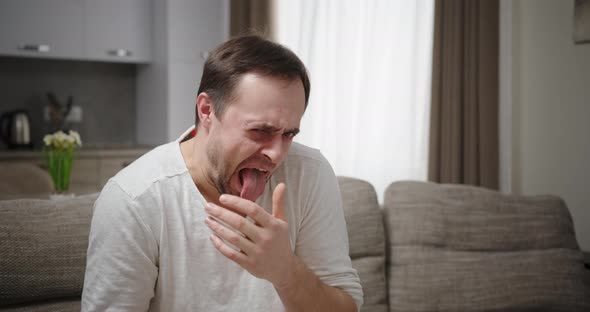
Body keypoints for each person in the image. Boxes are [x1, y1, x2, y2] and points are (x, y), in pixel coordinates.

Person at [82, 35, 363, 311]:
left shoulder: (309, 173)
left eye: (289, 133)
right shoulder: (134, 199)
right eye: (260, 131)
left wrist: (286, 272)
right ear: (207, 110)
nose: (277, 154)